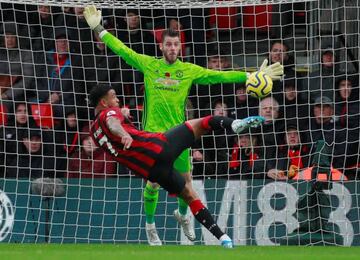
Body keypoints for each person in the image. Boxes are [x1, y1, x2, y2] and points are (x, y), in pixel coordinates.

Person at [83, 5, 283, 245]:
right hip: (152, 136)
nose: (172, 49)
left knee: (186, 181)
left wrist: (248, 76)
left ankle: (182, 214)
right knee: (153, 184)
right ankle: (150, 225)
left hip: (178, 135)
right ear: (161, 46)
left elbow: (218, 75)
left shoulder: (187, 71)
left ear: (180, 46)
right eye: (168, 44)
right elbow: (123, 50)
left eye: (176, 45)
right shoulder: (149, 65)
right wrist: (98, 28)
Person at [88, 84, 265, 248]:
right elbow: (113, 124)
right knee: (201, 123)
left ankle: (223, 239)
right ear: (104, 102)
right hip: (158, 148)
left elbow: (111, 127)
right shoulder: (109, 114)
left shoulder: (94, 132)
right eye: (113, 97)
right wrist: (124, 133)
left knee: (189, 195)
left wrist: (123, 117)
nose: (117, 100)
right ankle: (234, 124)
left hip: (152, 171)